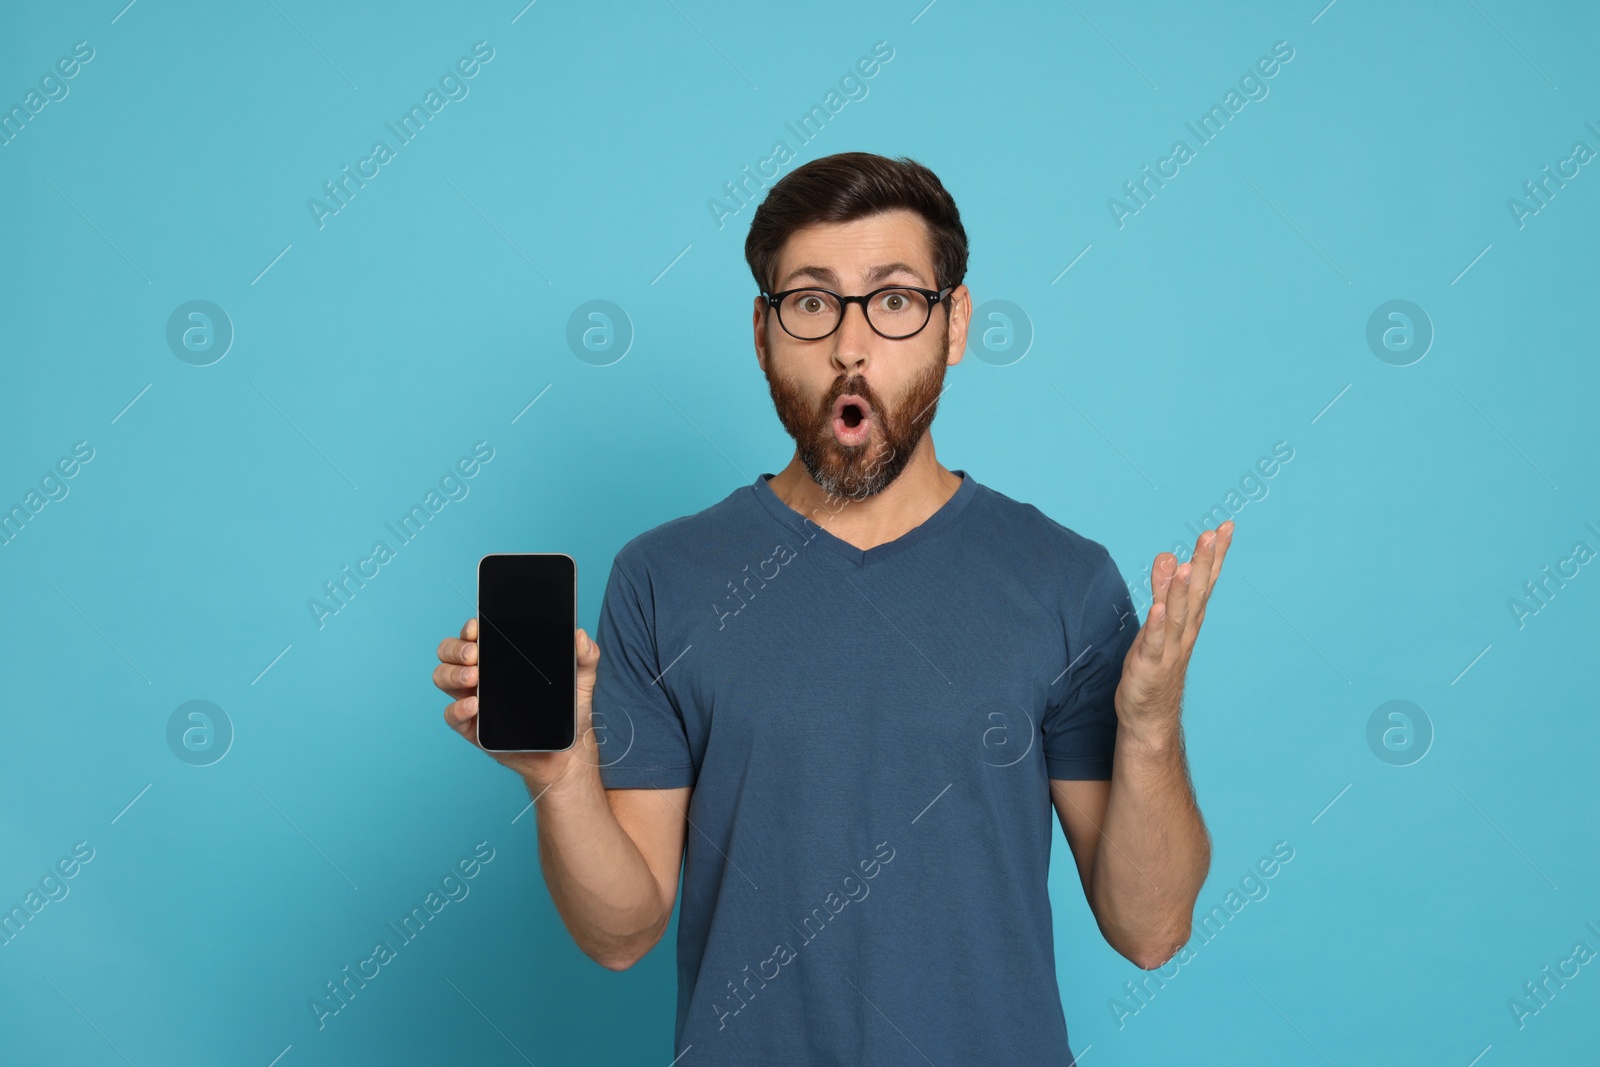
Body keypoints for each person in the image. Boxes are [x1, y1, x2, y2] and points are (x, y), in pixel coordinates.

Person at [433, 151, 1232, 1065]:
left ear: (955, 323)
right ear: (764, 332)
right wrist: (559, 773)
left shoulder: (1064, 580)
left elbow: (1153, 929)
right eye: (812, 303)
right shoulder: (665, 576)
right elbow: (621, 932)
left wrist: (1153, 728)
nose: (851, 347)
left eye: (894, 301)